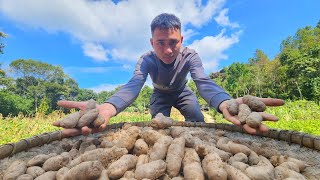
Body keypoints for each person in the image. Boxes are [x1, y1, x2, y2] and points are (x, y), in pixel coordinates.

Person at [54, 13, 284, 136]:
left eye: (173, 42)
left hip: (183, 92)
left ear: (181, 40)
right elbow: (134, 85)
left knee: (197, 121)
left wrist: (224, 102)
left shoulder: (191, 55)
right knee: (159, 126)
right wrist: (109, 106)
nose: (167, 50)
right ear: (151, 42)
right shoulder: (146, 59)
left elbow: (202, 81)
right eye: (160, 43)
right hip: (160, 94)